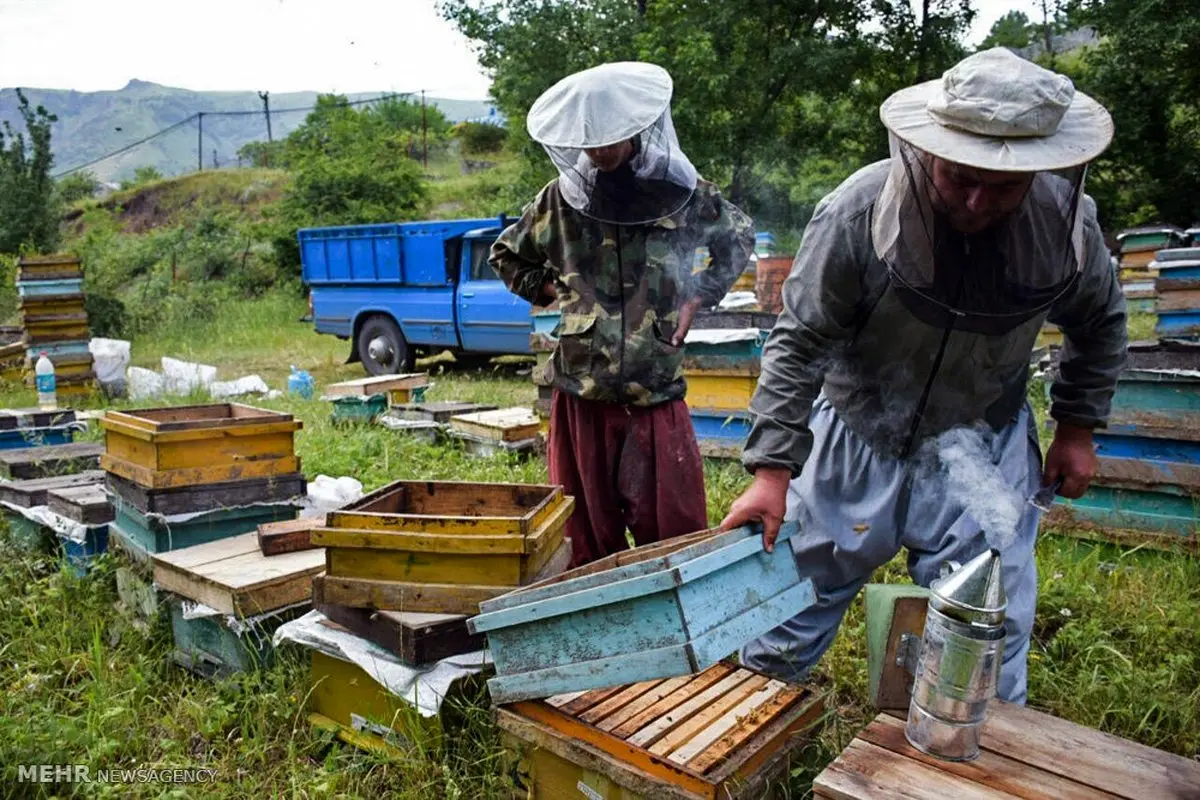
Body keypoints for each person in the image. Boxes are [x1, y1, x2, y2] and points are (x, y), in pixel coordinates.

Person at [721, 48, 1126, 704]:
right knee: (784, 609)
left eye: (1002, 187)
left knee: (984, 627)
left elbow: (1101, 324)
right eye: (959, 177)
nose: (976, 201)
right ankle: (743, 731)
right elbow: (799, 341)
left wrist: (1077, 428)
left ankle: (968, 746)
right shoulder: (858, 210)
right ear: (928, 150)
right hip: (855, 434)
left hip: (982, 444)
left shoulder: (1068, 226)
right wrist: (772, 473)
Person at [491, 61, 755, 567]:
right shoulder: (559, 199)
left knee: (676, 533)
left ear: (634, 128)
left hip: (653, 385)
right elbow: (506, 254)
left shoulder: (678, 190)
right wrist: (555, 291)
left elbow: (737, 237)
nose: (601, 152)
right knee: (585, 535)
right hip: (581, 388)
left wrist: (698, 296)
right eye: (590, 143)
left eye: (610, 139)